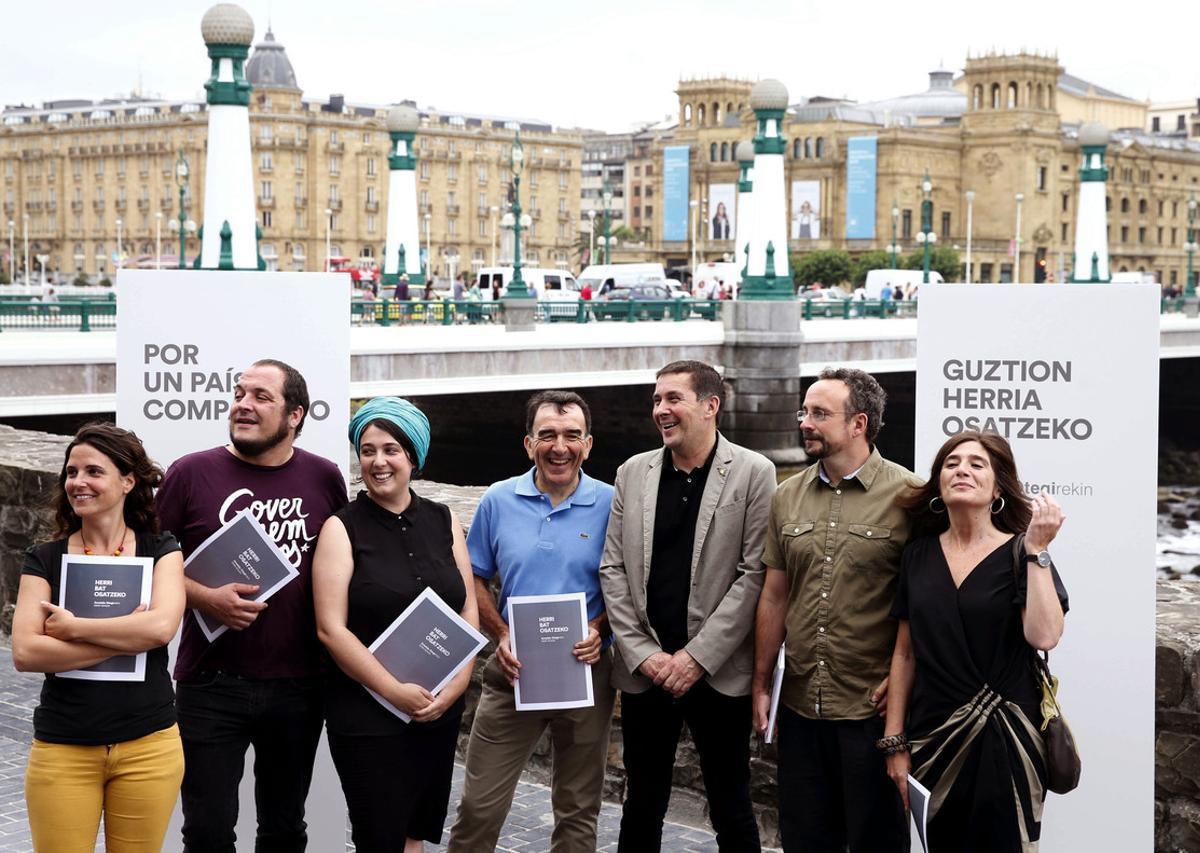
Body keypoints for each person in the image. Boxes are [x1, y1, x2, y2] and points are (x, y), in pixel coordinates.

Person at [156, 358, 348, 853]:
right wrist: (204, 597)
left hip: (299, 684)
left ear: (295, 415)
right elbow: (145, 562)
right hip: (210, 683)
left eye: (261, 397)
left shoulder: (325, 479)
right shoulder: (190, 473)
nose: (243, 404)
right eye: (239, 393)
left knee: (285, 829)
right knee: (207, 830)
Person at [600, 360, 776, 852]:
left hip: (717, 672)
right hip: (646, 669)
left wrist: (696, 657)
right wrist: (644, 654)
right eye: (657, 400)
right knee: (641, 804)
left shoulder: (754, 473)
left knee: (731, 804)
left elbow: (754, 574)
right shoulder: (632, 472)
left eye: (673, 398)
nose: (661, 409)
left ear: (710, 405)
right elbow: (612, 569)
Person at [752, 366, 915, 852]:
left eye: (820, 413)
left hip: (871, 709)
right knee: (805, 841)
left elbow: (926, 608)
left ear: (858, 423)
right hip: (801, 708)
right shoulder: (787, 496)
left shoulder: (910, 497)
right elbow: (775, 595)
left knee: (877, 844)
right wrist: (761, 684)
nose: (805, 421)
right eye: (805, 411)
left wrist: (905, 688)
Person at [447, 390, 615, 853]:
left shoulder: (613, 503)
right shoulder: (499, 500)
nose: (559, 446)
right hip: (512, 672)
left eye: (571, 435)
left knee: (579, 812)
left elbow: (626, 586)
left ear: (588, 443)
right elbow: (475, 577)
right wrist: (499, 634)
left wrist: (599, 628)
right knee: (478, 808)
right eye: (547, 435)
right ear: (528, 444)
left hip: (586, 674)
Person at [884, 431, 1067, 852]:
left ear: (998, 488)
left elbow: (1044, 636)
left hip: (1008, 738)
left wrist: (1039, 549)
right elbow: (904, 652)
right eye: (951, 464)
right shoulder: (918, 555)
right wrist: (894, 740)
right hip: (934, 736)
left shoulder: (1023, 553)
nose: (961, 469)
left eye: (976, 464)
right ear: (938, 483)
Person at [314, 397, 479, 852]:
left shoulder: (444, 519)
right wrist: (393, 691)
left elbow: (466, 608)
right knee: (379, 836)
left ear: (413, 457)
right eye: (368, 450)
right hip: (367, 712)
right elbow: (331, 629)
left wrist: (458, 683)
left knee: (416, 832)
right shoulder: (340, 528)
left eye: (391, 449)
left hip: (436, 708)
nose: (378, 461)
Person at [13, 422, 186, 852]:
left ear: (128, 481)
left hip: (149, 746)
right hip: (63, 747)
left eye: (93, 471)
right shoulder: (45, 557)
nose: (78, 482)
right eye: (71, 472)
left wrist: (74, 630)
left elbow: (162, 628)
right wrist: (129, 634)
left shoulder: (161, 550)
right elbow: (27, 651)